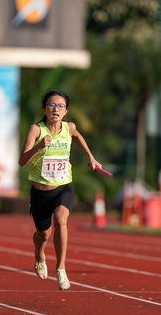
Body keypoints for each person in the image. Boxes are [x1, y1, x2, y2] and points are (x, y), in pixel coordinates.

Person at [19, 89, 102, 291]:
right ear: (44, 109)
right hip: (40, 193)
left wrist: (91, 158)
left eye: (60, 106)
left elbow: (77, 136)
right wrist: (38, 147)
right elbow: (22, 161)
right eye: (51, 105)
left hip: (63, 188)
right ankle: (39, 254)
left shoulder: (69, 127)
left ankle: (61, 268)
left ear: (66, 111)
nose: (55, 109)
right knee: (43, 234)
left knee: (61, 220)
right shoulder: (36, 130)